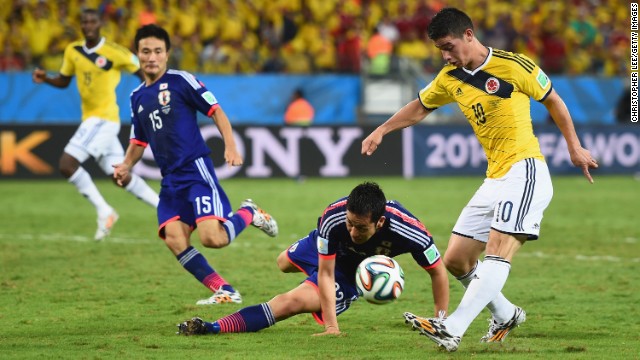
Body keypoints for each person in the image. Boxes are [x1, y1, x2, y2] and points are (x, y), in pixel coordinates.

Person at [361, 8, 598, 352]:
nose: (445, 55)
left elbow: (554, 101)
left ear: (469, 35)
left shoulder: (516, 65)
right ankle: (505, 313)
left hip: (526, 170)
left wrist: (574, 147)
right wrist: (383, 129)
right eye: (440, 50)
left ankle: (453, 327)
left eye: (449, 46)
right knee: (456, 260)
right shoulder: (450, 77)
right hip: (495, 177)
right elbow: (420, 106)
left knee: (497, 250)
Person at [112, 24, 278, 305]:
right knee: (174, 239)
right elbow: (139, 140)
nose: (151, 57)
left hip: (194, 170)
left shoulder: (181, 81)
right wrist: (126, 165)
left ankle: (249, 213)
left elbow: (216, 111)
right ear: (137, 55)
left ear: (167, 54)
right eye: (145, 51)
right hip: (170, 180)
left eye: (157, 51)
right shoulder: (136, 96)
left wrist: (231, 145)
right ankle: (224, 290)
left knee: (213, 239)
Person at [176, 182, 449, 336]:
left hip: (349, 272)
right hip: (328, 249)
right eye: (350, 223)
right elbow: (325, 272)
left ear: (379, 222)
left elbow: (438, 272)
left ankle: (210, 328)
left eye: (361, 228)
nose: (353, 231)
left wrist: (441, 321)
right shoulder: (333, 217)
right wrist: (332, 326)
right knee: (282, 262)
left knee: (291, 302)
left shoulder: (410, 231)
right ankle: (253, 213)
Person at [32, 8, 159, 241]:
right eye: (84, 22)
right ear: (81, 25)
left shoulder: (114, 52)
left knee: (66, 164)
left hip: (104, 118)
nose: (88, 25)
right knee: (119, 175)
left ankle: (104, 210)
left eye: (92, 21)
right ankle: (163, 207)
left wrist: (149, 96)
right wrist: (46, 79)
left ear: (100, 24)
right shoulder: (73, 51)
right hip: (92, 119)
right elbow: (64, 80)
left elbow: (142, 70)